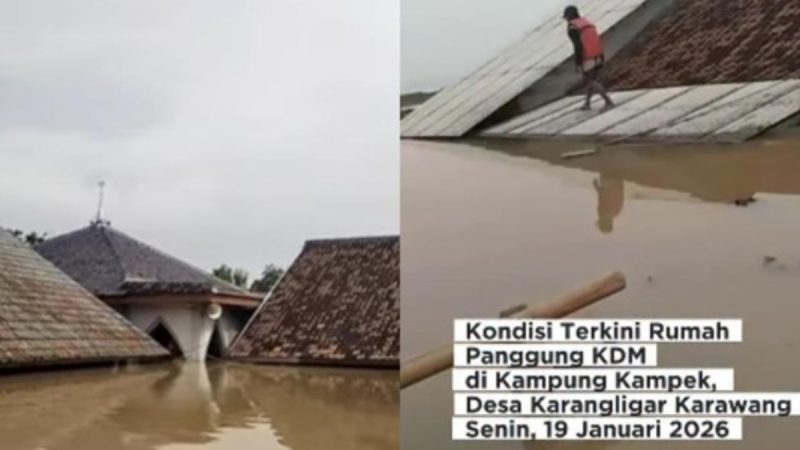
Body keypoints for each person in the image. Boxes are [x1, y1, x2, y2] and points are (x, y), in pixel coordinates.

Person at [564, 5, 614, 111]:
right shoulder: (587, 23)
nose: (566, 19)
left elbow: (577, 46)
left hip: (587, 56)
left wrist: (578, 63)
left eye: (566, 17)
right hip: (598, 54)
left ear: (568, 16)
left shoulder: (572, 28)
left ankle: (608, 101)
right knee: (590, 81)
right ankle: (587, 104)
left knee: (590, 81)